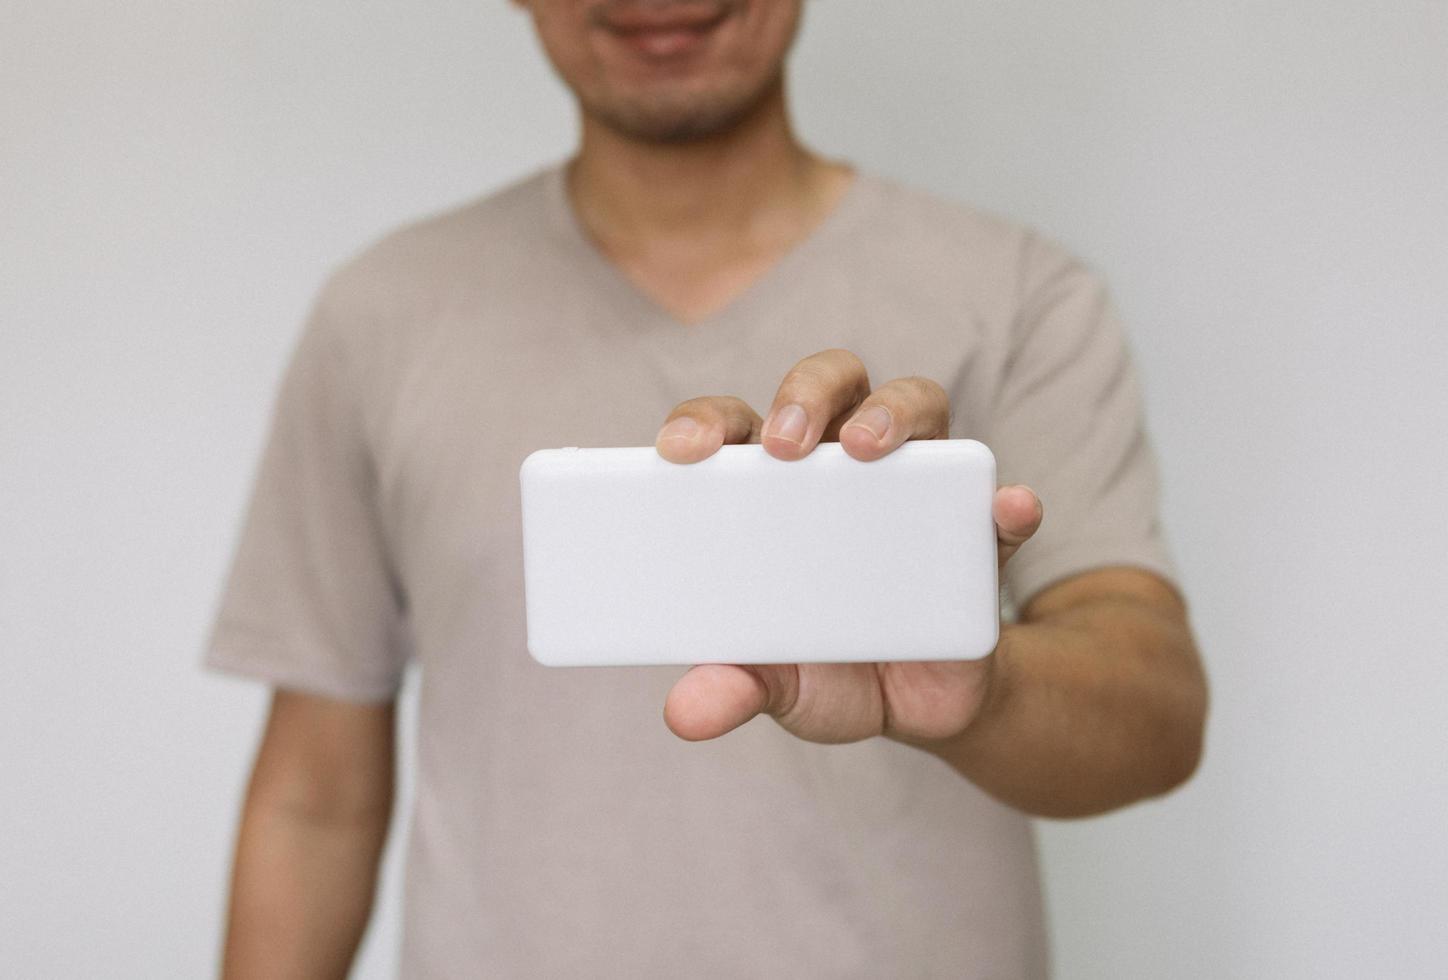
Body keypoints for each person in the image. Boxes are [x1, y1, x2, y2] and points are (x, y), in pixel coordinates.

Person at [205, 1, 1209, 976]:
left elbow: (1157, 714)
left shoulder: (1015, 294)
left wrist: (980, 693)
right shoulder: (379, 316)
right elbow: (314, 798)